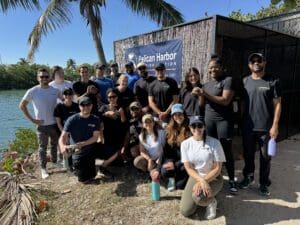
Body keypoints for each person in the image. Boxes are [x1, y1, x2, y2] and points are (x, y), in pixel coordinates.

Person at [239, 53, 282, 196]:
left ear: (265, 62)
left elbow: (278, 104)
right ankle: (248, 177)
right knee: (248, 154)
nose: (256, 63)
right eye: (253, 61)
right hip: (248, 127)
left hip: (266, 128)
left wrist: (275, 125)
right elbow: (242, 104)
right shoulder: (244, 81)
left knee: (265, 157)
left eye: (259, 60)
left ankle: (263, 183)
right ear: (249, 64)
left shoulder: (273, 81)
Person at [196, 56, 237, 193]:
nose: (213, 69)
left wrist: (205, 94)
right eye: (210, 68)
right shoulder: (206, 85)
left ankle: (232, 180)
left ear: (221, 68)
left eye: (215, 67)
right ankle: (215, 177)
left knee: (226, 150)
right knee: (211, 151)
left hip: (223, 121)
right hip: (209, 121)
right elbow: (202, 105)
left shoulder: (227, 80)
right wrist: (199, 95)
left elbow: (225, 100)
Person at [19, 68, 62, 179]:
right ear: (38, 78)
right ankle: (43, 168)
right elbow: (22, 106)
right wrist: (32, 120)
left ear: (50, 78)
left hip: (53, 124)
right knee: (42, 147)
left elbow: (66, 101)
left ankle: (54, 161)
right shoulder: (32, 91)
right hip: (41, 125)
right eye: (41, 76)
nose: (44, 78)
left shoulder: (55, 90)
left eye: (46, 76)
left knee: (54, 144)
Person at [180, 117, 225, 220]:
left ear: (204, 127)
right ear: (190, 128)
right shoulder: (185, 144)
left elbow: (217, 168)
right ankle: (203, 197)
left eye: (199, 125)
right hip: (196, 176)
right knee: (185, 211)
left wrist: (205, 180)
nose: (197, 129)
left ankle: (211, 201)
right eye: (193, 126)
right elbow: (188, 167)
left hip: (214, 177)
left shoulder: (215, 143)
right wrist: (201, 180)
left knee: (198, 198)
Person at [59, 96, 100, 183]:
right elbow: (63, 136)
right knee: (83, 180)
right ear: (79, 106)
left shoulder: (95, 119)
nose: (86, 107)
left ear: (92, 106)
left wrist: (83, 144)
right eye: (83, 105)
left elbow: (95, 138)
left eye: (88, 105)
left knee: (92, 176)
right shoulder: (72, 119)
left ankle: (96, 167)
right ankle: (74, 166)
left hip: (90, 149)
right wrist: (62, 147)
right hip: (77, 151)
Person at [159, 103, 190, 191]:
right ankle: (171, 178)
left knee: (180, 186)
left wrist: (176, 165)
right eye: (175, 115)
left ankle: (179, 176)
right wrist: (158, 169)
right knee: (165, 171)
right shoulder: (169, 129)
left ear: (184, 114)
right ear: (172, 117)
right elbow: (164, 151)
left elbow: (191, 154)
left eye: (180, 114)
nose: (178, 116)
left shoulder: (189, 129)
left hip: (185, 161)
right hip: (172, 159)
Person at [98, 89, 127, 164]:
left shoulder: (121, 107)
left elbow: (124, 124)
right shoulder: (104, 107)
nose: (112, 99)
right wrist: (106, 114)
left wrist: (122, 114)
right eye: (109, 97)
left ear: (117, 97)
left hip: (117, 137)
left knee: (118, 162)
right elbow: (97, 118)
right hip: (106, 137)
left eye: (114, 96)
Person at [54, 88, 79, 168]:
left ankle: (74, 163)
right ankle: (65, 164)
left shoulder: (76, 106)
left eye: (70, 94)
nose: (68, 96)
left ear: (73, 95)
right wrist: (64, 134)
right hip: (62, 130)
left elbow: (79, 119)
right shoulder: (59, 107)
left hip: (74, 131)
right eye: (66, 94)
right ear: (63, 95)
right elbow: (58, 122)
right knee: (64, 146)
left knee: (74, 147)